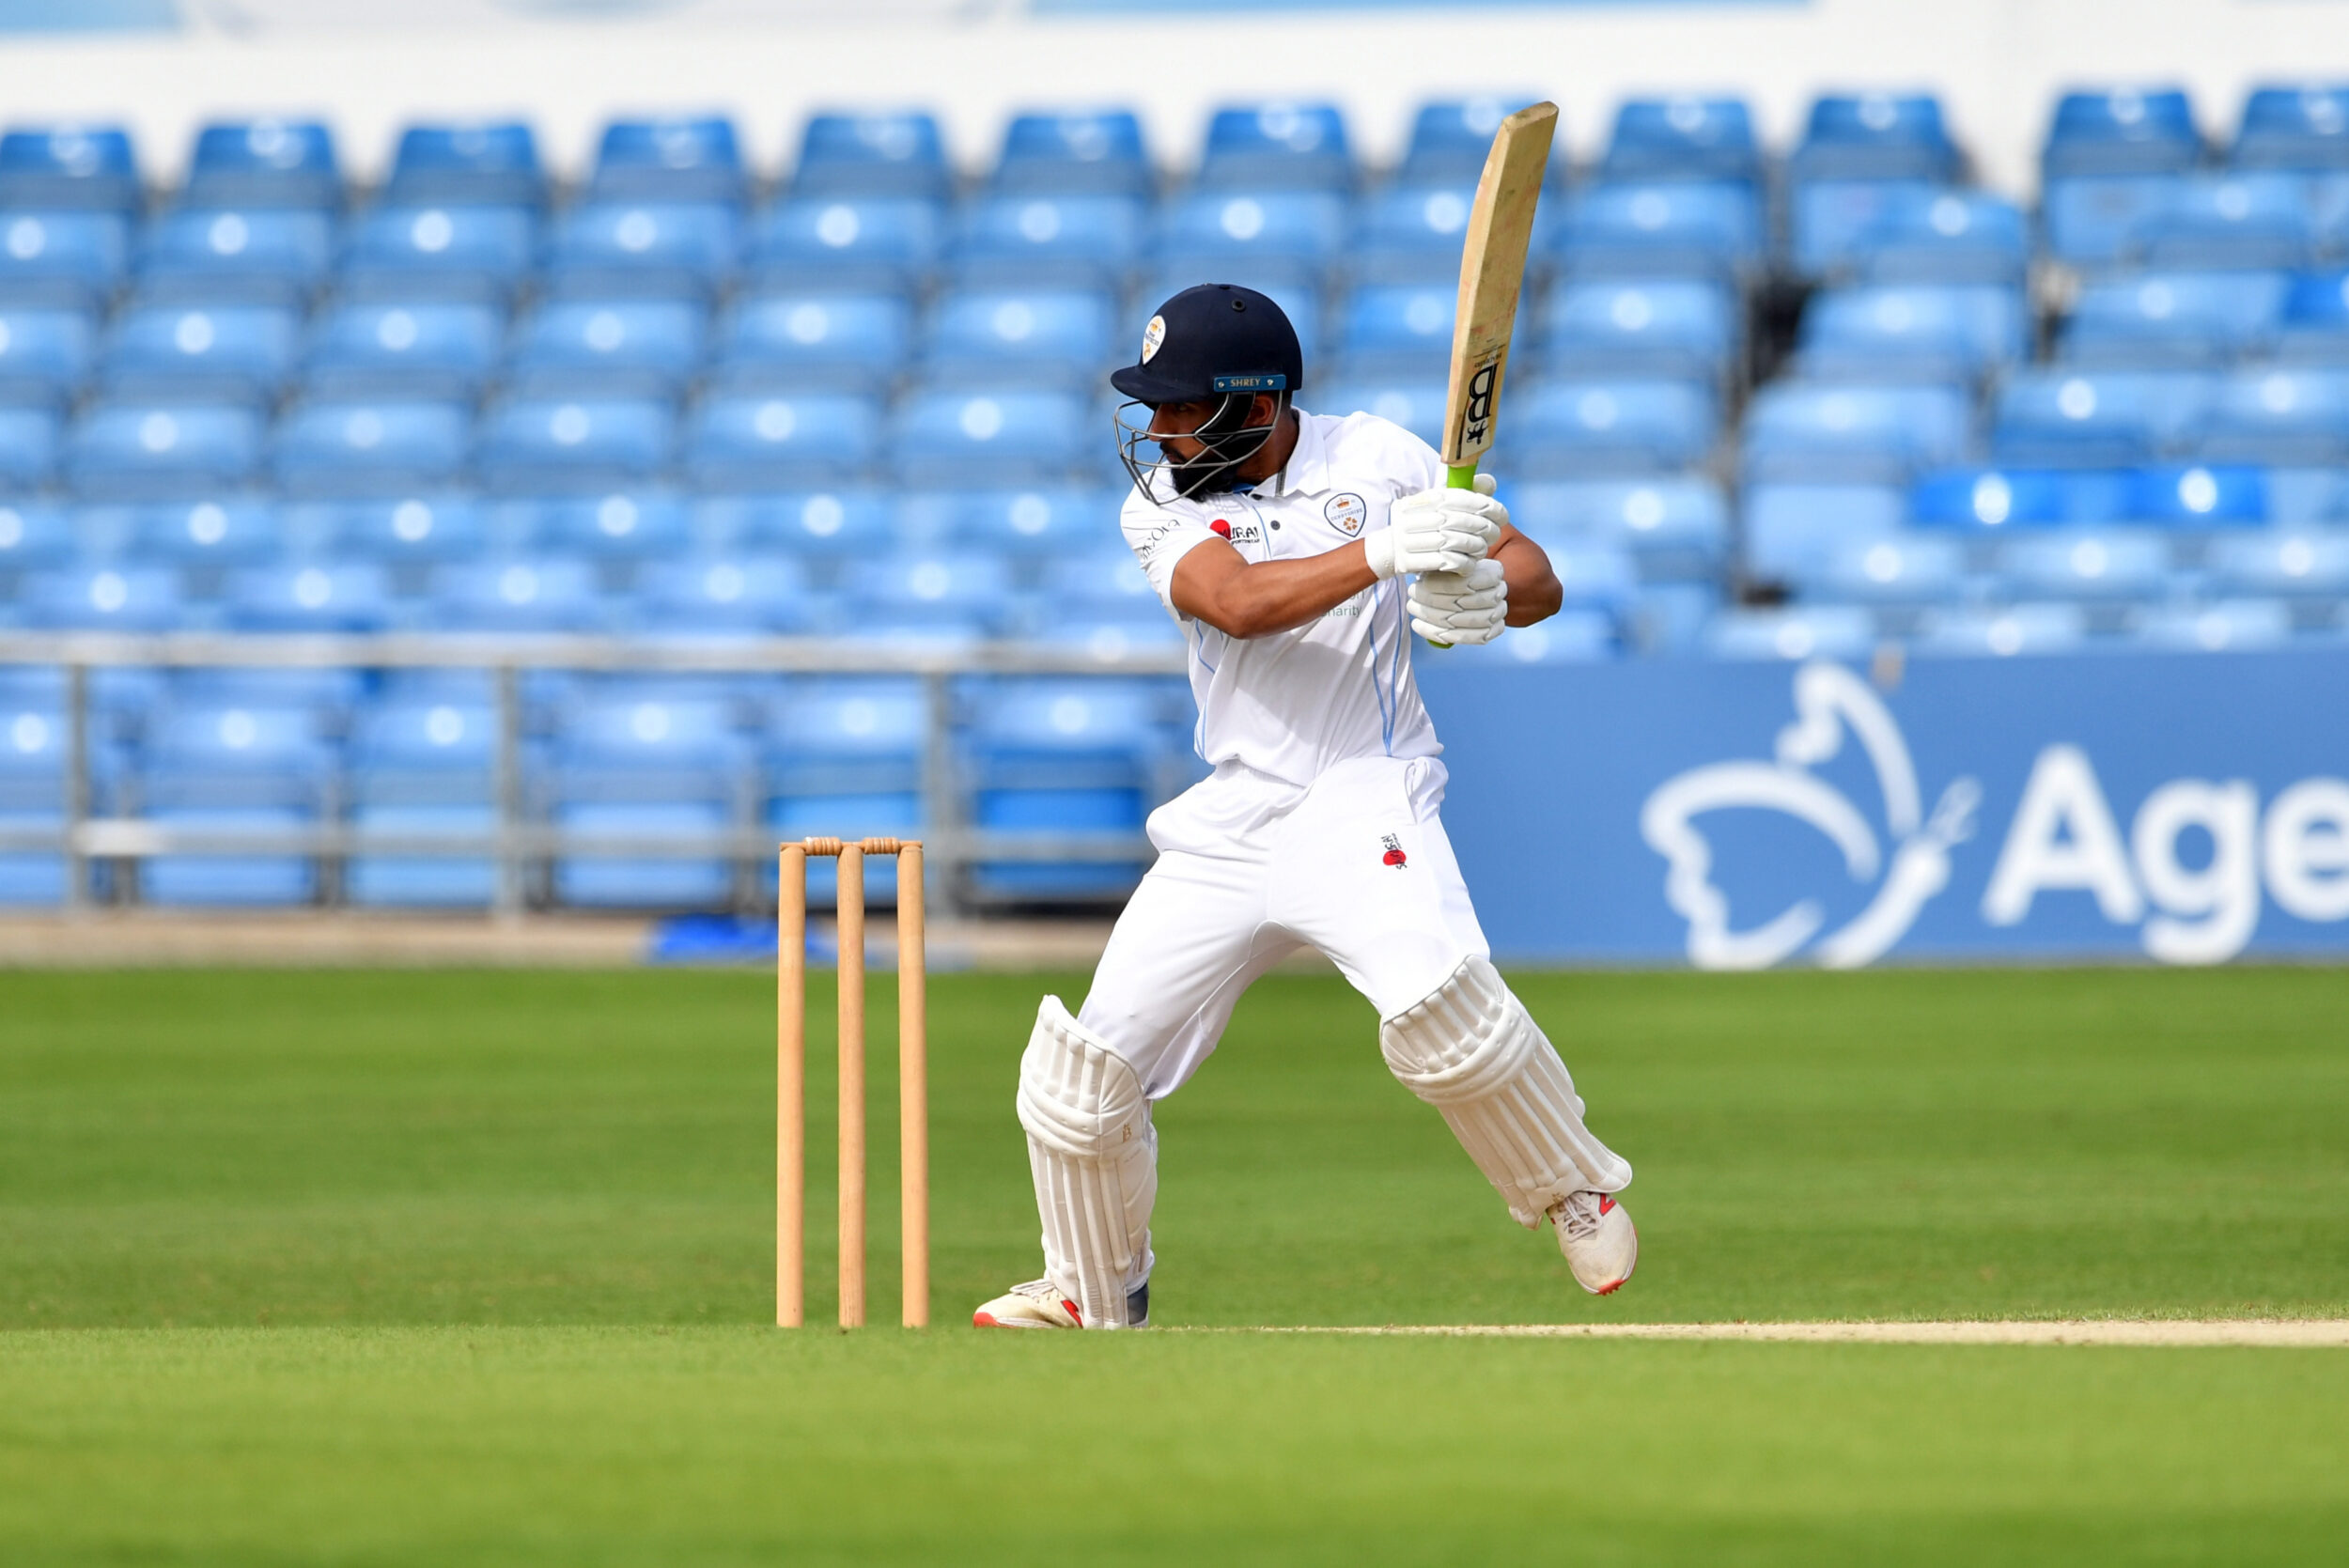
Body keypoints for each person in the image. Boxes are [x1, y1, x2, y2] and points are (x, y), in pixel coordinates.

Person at [972, 283, 1634, 1329]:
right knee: (1080, 1078)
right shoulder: (1161, 505)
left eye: (1182, 407)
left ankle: (1571, 1185)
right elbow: (1238, 606)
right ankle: (1092, 1289)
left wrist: (1486, 593)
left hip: (1366, 787)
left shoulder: (1379, 456)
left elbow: (1533, 574)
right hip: (1235, 813)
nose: (1161, 429)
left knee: (1440, 1019)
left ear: (1257, 403)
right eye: (1155, 406)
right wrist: (1385, 552)